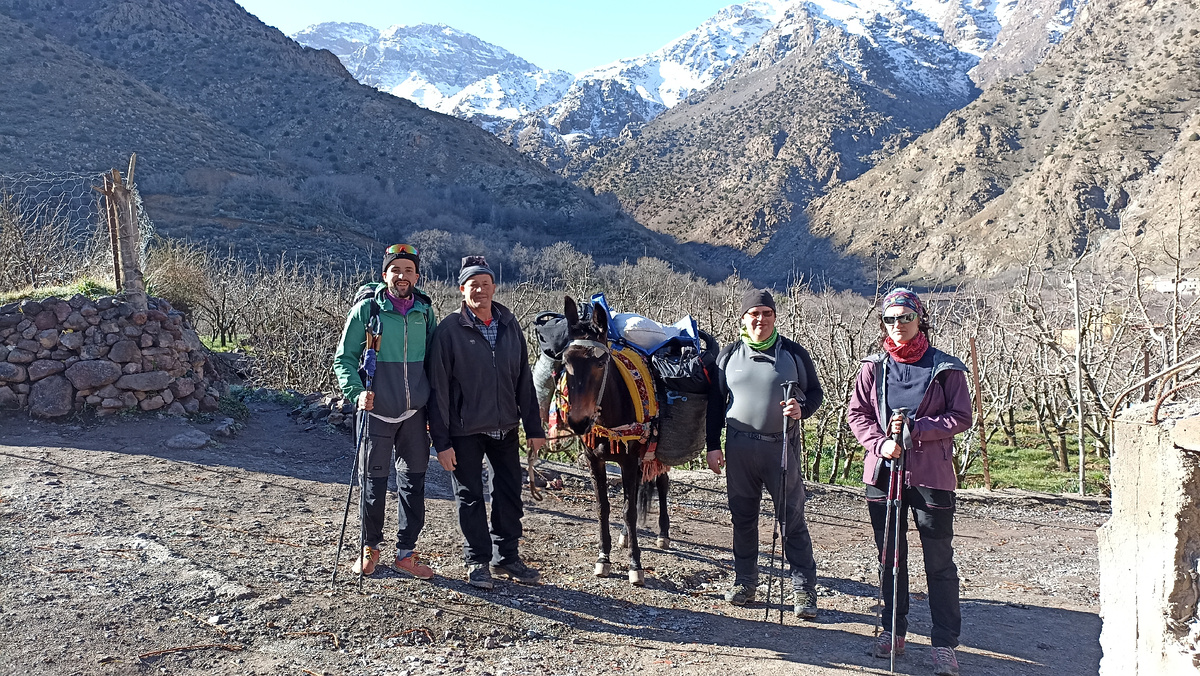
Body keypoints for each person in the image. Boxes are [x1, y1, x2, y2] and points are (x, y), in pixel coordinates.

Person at [847, 288, 972, 676]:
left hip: (931, 477)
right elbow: (858, 413)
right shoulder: (873, 366)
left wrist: (917, 429)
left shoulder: (946, 368)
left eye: (904, 317)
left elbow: (961, 417)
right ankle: (891, 630)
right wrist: (880, 443)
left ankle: (944, 643)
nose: (897, 325)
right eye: (889, 319)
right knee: (890, 558)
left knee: (939, 562)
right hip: (884, 476)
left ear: (920, 319)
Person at [428, 255, 546, 590]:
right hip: (464, 430)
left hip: (505, 426)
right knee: (470, 496)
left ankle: (506, 556)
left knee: (509, 493)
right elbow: (437, 389)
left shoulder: (509, 325)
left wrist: (534, 428)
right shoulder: (449, 330)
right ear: (461, 289)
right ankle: (477, 561)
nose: (480, 289)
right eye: (472, 284)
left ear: (494, 287)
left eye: (485, 283)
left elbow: (524, 381)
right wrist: (442, 443)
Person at [706, 288, 824, 618]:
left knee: (792, 520)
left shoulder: (794, 354)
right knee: (743, 519)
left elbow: (815, 393)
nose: (760, 319)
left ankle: (804, 590)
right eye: (754, 314)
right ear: (743, 318)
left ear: (775, 317)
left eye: (767, 314)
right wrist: (712, 445)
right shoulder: (728, 355)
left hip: (780, 447)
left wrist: (802, 408)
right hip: (739, 447)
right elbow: (716, 404)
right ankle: (745, 582)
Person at [333, 243, 437, 580]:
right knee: (373, 484)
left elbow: (434, 362)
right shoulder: (367, 311)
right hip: (375, 411)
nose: (402, 276)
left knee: (413, 485)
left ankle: (406, 553)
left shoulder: (425, 311)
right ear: (384, 275)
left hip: (413, 414)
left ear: (417, 276)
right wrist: (356, 393)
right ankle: (369, 548)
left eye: (408, 270)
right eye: (396, 270)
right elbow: (344, 359)